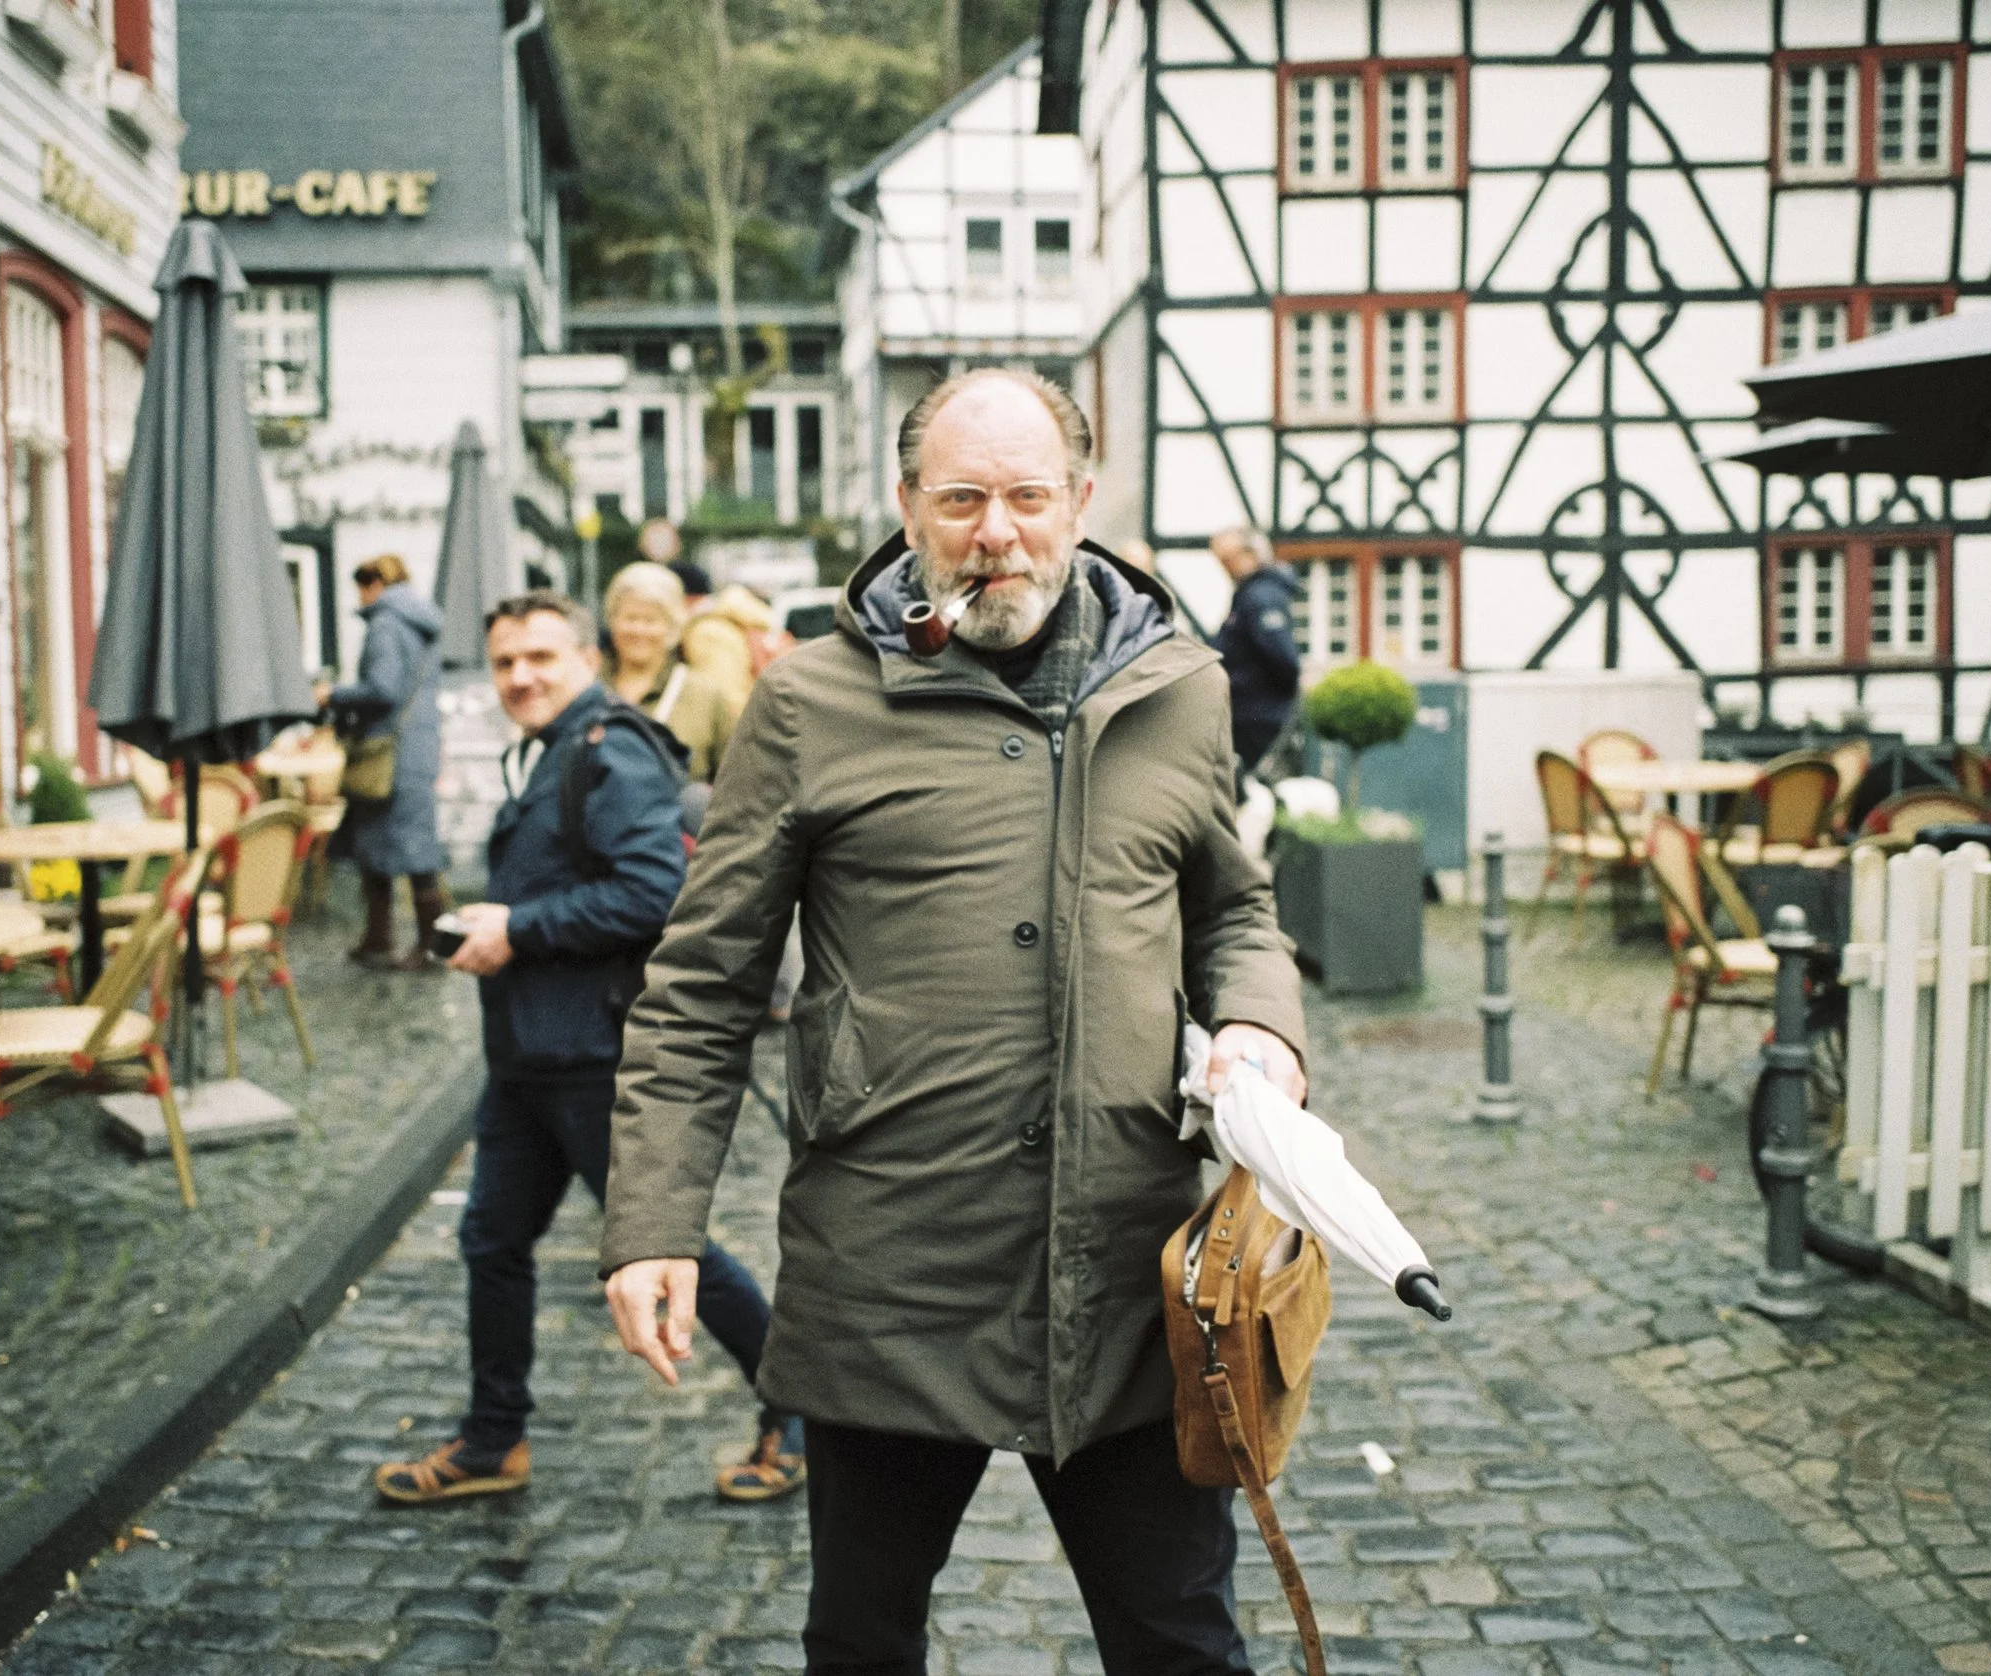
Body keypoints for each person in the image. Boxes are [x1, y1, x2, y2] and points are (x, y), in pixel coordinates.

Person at [599, 368, 1307, 1673]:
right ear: (909, 506)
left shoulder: (1181, 689)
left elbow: (1235, 913)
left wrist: (1259, 1023)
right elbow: (700, 986)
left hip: (1129, 1282)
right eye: (963, 498)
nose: (997, 533)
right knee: (861, 1645)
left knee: (1182, 1647)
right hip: (888, 1280)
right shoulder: (809, 703)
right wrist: (651, 1221)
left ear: (1079, 502)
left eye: (1028, 497)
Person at [373, 591, 804, 1507]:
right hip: (527, 1057)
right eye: (504, 662)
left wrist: (517, 929)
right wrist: (500, 925)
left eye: (541, 657)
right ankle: (494, 1440)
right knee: (492, 1241)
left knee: (662, 1247)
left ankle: (799, 1410)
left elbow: (655, 890)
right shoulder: (553, 748)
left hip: (593, 1060)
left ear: (587, 658)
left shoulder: (612, 752)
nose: (520, 676)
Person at [323, 554, 448, 969]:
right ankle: (387, 938)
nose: (359, 597)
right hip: (416, 748)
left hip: (388, 753)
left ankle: (427, 946)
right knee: (397, 845)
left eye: (360, 587)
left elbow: (382, 688)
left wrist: (332, 695)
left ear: (374, 583)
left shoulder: (386, 622)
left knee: (402, 850)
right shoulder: (420, 621)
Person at [603, 561, 737, 782]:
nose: (638, 630)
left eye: (650, 620)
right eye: (630, 618)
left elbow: (734, 780)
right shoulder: (585, 687)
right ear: (612, 621)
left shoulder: (705, 696)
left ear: (673, 626)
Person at [1208, 525, 1301, 771]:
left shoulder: (1260, 597)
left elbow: (1284, 661)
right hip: (1250, 714)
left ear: (1249, 555)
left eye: (1227, 559)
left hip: (1259, 718)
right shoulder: (1248, 594)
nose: (1225, 568)